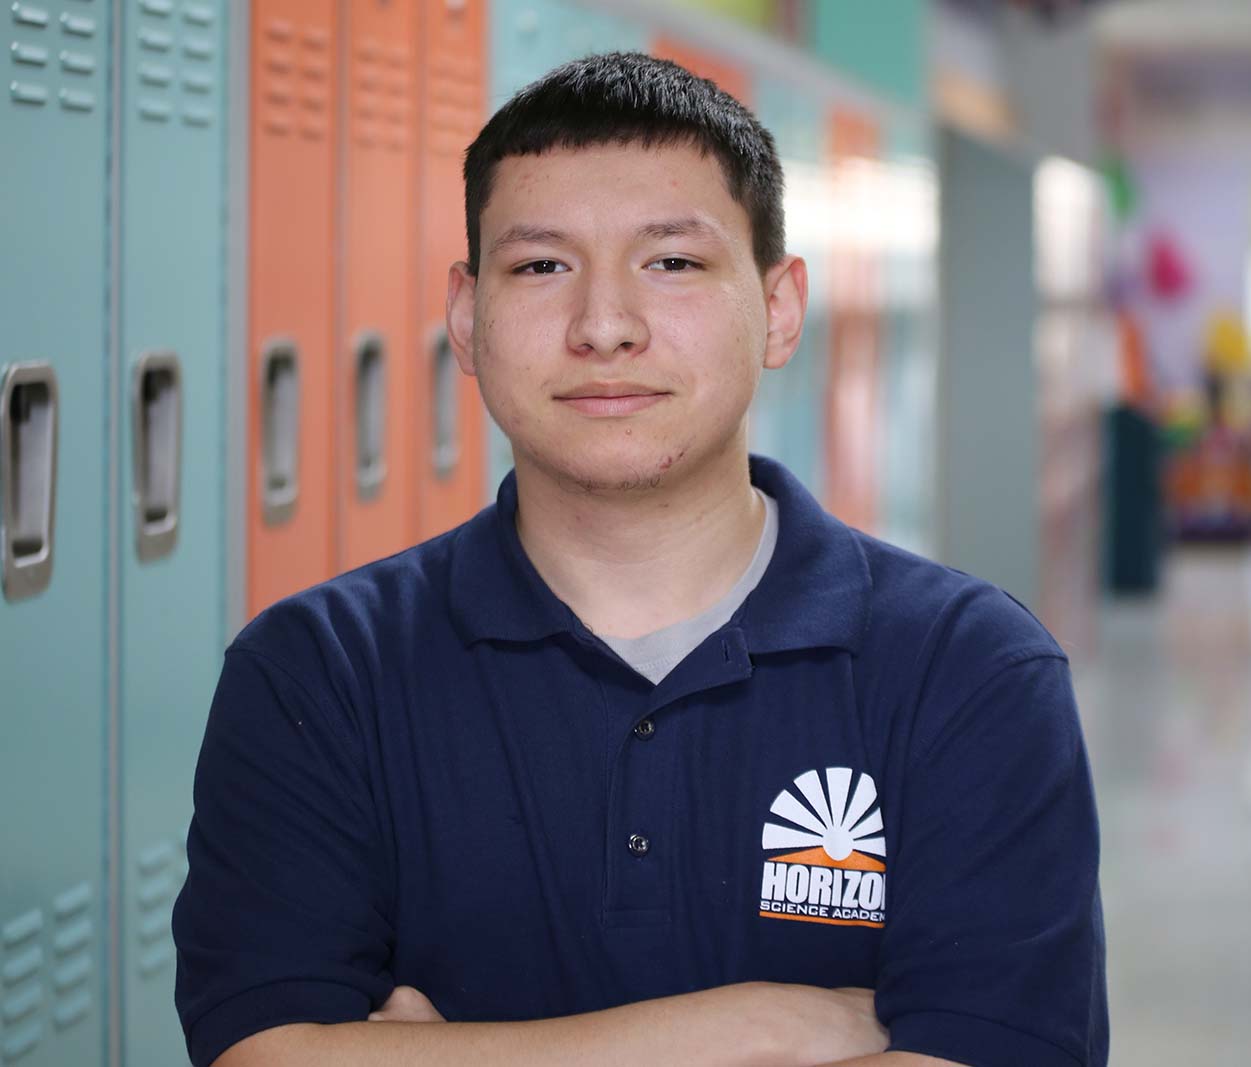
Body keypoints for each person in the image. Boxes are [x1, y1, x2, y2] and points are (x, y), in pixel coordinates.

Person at [173, 52, 1108, 1067]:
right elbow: (262, 1051)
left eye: (671, 263)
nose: (603, 326)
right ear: (465, 316)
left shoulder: (967, 670)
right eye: (540, 266)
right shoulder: (319, 670)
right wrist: (756, 1026)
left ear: (780, 309)